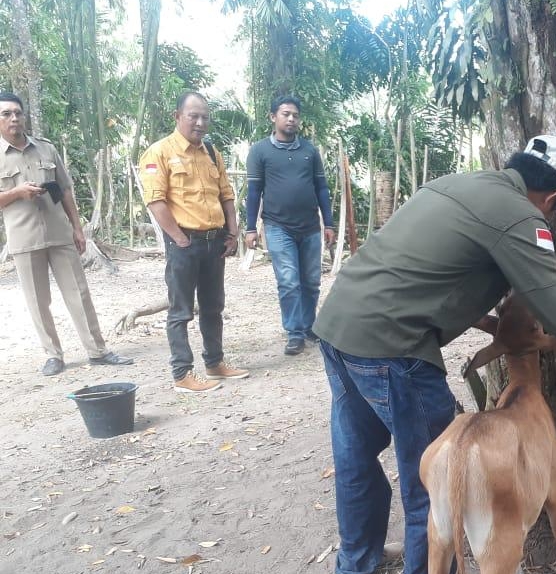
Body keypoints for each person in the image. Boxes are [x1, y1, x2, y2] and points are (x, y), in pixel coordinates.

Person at [312, 135, 556, 574]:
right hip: (394, 346)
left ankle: (357, 563)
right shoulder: (522, 214)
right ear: (552, 198)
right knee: (438, 479)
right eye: (553, 212)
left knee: (355, 456)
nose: (548, 217)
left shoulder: (454, 184)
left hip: (337, 324)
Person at [0, 92, 133, 376]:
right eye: (6, 114)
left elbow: (66, 189)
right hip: (24, 238)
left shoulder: (46, 150)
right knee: (38, 300)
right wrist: (16, 192)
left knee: (79, 292)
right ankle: (53, 355)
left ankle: (97, 351)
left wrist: (77, 227)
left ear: (24, 116)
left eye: (17, 113)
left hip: (60, 231)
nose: (13, 118)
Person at [140, 92, 248, 393]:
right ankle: (182, 374)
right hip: (185, 243)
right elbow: (156, 200)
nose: (200, 123)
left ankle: (215, 363)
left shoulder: (212, 153)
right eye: (193, 116)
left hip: (216, 242)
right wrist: (179, 239)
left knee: (213, 306)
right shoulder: (158, 153)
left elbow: (226, 195)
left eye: (204, 117)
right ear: (177, 116)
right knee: (181, 310)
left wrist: (232, 231)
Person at [244, 95, 335, 356]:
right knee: (288, 281)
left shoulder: (309, 151)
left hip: (310, 227)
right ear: (273, 117)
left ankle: (309, 327)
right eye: (285, 114)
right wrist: (251, 228)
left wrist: (328, 223)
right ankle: (294, 332)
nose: (291, 118)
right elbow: (254, 192)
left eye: (295, 114)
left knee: (311, 281)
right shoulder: (260, 151)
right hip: (277, 226)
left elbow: (321, 188)